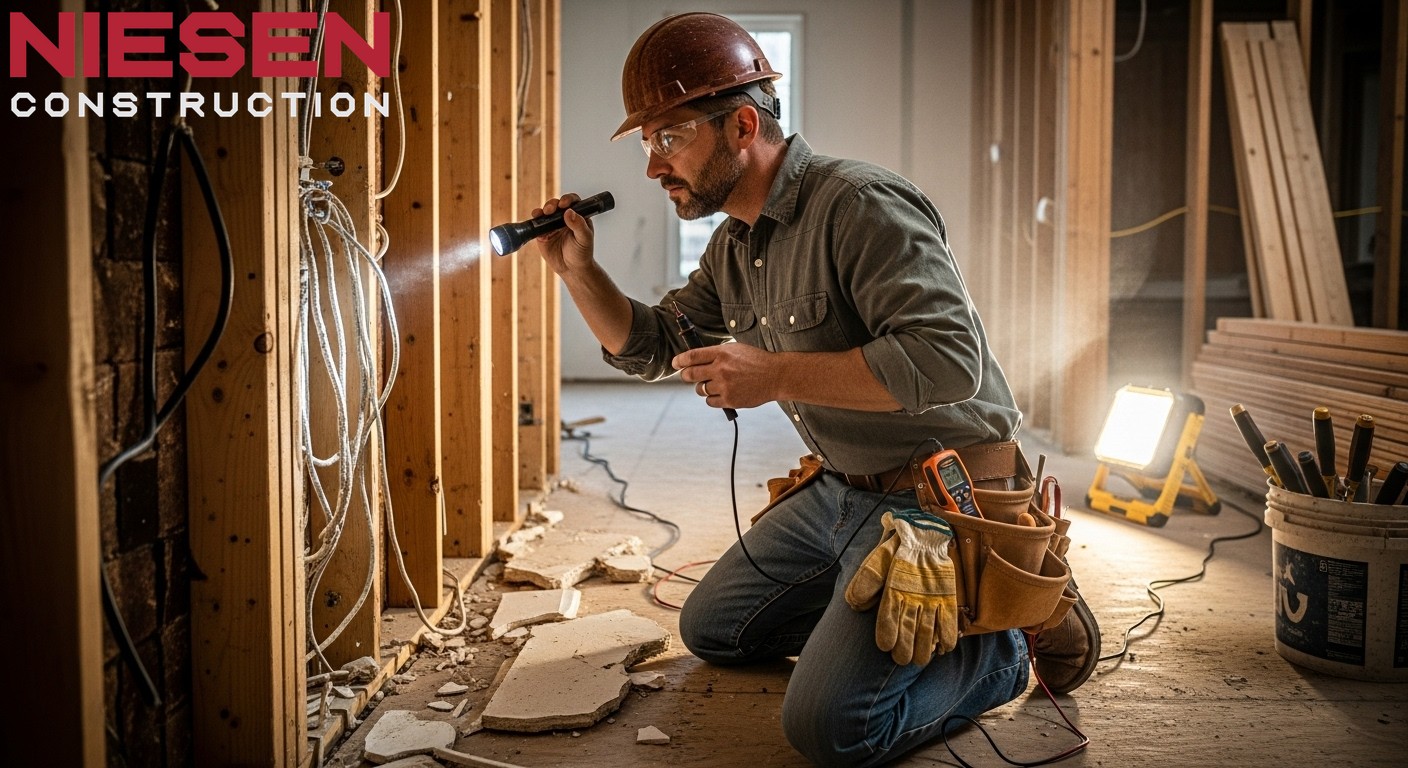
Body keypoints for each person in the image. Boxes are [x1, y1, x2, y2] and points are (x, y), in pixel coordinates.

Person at [530, 12, 1100, 767]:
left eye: (668, 139)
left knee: (833, 730)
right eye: (647, 143)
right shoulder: (738, 243)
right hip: (841, 493)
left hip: (937, 496)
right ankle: (882, 619)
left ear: (740, 125)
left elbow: (948, 360)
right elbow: (654, 348)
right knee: (714, 632)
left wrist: (774, 375)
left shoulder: (859, 205)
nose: (652, 167)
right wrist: (578, 271)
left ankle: (997, 647)